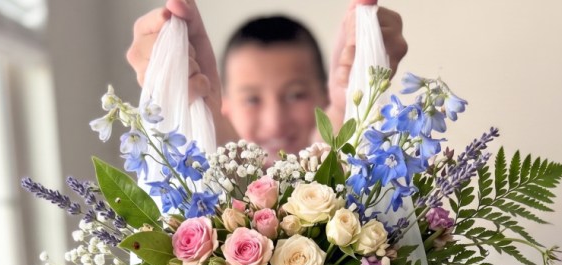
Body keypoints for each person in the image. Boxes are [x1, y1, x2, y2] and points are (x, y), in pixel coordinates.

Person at [125, 0, 408, 162]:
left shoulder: (366, 186)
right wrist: (171, 72)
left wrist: (347, 104)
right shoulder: (201, 201)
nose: (275, 122)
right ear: (225, 104)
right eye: (252, 99)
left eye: (296, 95)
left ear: (323, 95)